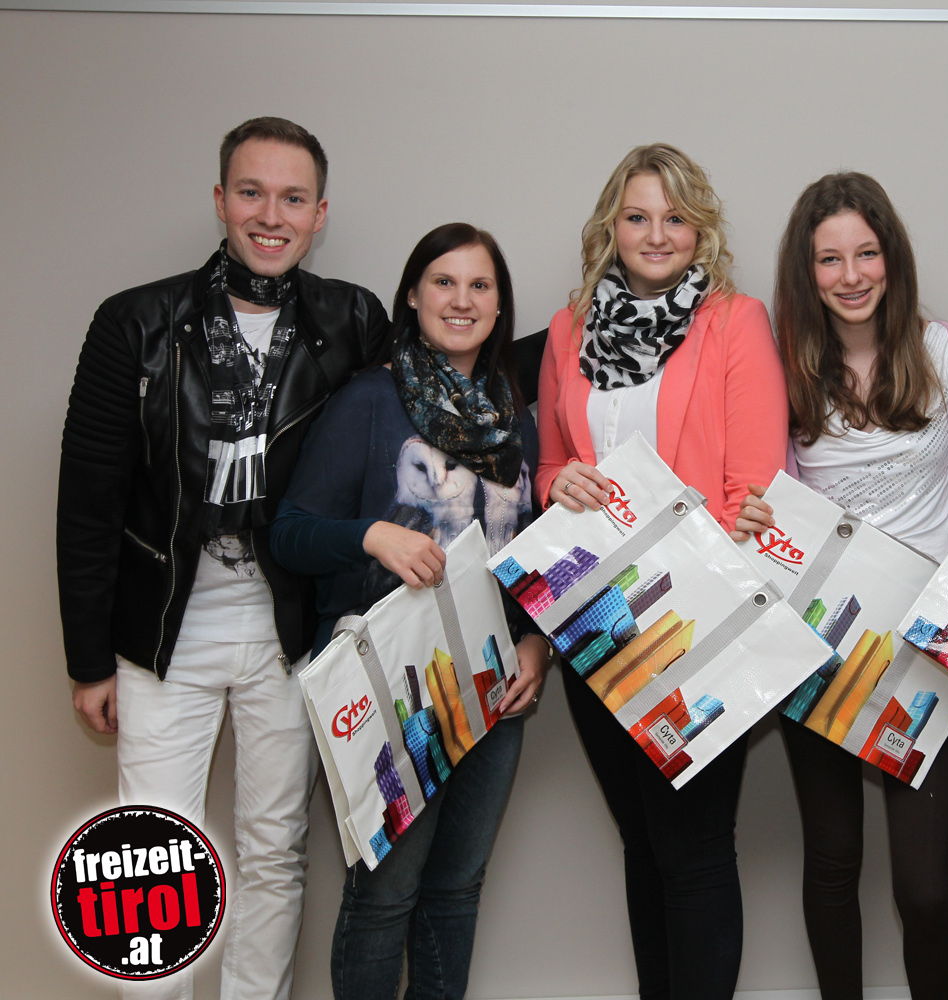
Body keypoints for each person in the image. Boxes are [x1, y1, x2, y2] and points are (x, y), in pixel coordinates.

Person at [57, 117, 389, 1000]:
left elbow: (408, 429)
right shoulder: (135, 321)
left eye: (292, 198)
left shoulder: (353, 318)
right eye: (251, 192)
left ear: (320, 214)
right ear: (219, 200)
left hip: (292, 627)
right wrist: (88, 660)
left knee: (275, 850)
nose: (270, 215)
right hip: (166, 626)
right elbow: (87, 504)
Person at [733, 172, 948, 1000]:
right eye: (830, 260)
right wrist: (750, 515)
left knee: (924, 885)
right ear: (806, 272)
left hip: (924, 652)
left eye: (867, 254)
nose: (851, 276)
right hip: (821, 646)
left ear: (893, 258)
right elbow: (764, 493)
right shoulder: (784, 368)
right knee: (833, 860)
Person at [269, 222, 549, 998]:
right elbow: (289, 533)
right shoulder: (370, 399)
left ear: (499, 306)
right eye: (444, 282)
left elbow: (529, 549)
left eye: (480, 285)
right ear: (413, 297)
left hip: (494, 682)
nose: (462, 300)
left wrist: (536, 644)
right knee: (386, 891)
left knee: (457, 887)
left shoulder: (515, 416)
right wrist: (372, 535)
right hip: (390, 684)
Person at [535, 143, 787, 1000]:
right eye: (638, 216)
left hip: (694, 621)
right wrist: (556, 482)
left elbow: (754, 484)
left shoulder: (734, 321)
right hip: (592, 616)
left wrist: (691, 586)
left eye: (675, 217)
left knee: (693, 847)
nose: (656, 234)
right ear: (611, 225)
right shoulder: (569, 328)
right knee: (642, 844)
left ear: (699, 227)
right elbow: (551, 463)